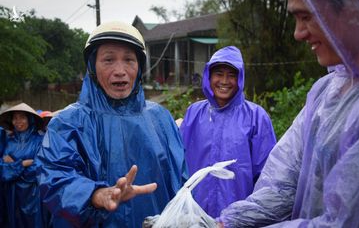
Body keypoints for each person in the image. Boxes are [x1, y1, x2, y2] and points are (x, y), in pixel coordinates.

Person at [218, 0, 359, 227]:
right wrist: (225, 223)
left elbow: (346, 221)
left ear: (351, 9)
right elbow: (283, 184)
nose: (297, 33)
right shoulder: (325, 94)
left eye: (306, 17)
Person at [36, 21, 188, 228]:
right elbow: (53, 176)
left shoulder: (160, 118)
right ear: (92, 66)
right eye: (108, 60)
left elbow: (180, 178)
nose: (120, 70)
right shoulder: (68, 123)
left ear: (140, 67)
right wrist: (95, 194)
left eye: (129, 60)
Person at [179, 46, 277, 218]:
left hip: (237, 218)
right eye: (219, 74)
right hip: (195, 215)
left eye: (232, 75)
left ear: (240, 78)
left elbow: (267, 176)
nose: (224, 81)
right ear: (209, 76)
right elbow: (178, 163)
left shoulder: (256, 117)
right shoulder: (194, 114)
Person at [0, 103, 48, 228]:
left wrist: (13, 166)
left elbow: (39, 167)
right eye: (15, 118)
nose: (18, 121)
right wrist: (22, 164)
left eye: (22, 117)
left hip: (32, 195)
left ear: (30, 119)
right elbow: (2, 169)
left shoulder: (39, 140)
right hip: (11, 194)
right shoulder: (9, 141)